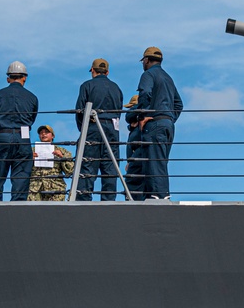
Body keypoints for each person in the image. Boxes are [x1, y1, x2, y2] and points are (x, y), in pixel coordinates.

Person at [0, 61, 38, 201]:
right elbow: (32, 119)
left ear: (8, 78)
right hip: (24, 137)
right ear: (24, 77)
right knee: (21, 177)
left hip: (3, 135)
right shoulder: (32, 97)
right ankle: (18, 209)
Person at [133, 47, 183, 200]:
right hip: (168, 125)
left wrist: (143, 115)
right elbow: (178, 104)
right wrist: (168, 118)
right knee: (161, 162)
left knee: (155, 163)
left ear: (146, 60)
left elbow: (145, 93)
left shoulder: (148, 74)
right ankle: (160, 195)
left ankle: (159, 197)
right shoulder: (168, 78)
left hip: (155, 125)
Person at [74, 58, 124, 201]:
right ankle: (108, 202)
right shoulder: (116, 88)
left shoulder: (87, 86)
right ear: (107, 72)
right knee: (110, 168)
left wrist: (83, 130)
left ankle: (83, 202)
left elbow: (80, 110)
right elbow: (119, 111)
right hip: (112, 129)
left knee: (87, 166)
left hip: (93, 127)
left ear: (93, 71)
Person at [29, 125, 75, 202]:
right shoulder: (31, 151)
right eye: (41, 133)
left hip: (55, 188)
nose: (43, 134)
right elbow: (23, 169)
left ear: (52, 136)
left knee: (55, 213)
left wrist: (62, 157)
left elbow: (70, 171)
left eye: (46, 132)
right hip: (35, 189)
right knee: (33, 213)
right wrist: (30, 159)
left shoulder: (62, 151)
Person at [122, 95, 145, 200]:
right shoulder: (133, 128)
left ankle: (132, 201)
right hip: (135, 156)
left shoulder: (138, 116)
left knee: (134, 180)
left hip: (139, 155)